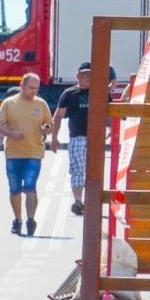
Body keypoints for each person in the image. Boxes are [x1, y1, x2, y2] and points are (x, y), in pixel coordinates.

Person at [0, 71, 51, 236]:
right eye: (31, 88)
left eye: (36, 88)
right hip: (13, 153)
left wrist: (47, 128)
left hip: (34, 152)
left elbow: (49, 123)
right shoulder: (9, 103)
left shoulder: (41, 104)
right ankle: (17, 219)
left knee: (31, 186)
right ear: (22, 86)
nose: (34, 91)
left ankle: (31, 219)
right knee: (14, 189)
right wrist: (11, 134)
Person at [50, 62, 96, 217]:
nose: (87, 77)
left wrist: (111, 130)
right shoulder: (69, 94)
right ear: (77, 76)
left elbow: (109, 113)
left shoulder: (99, 92)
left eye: (90, 74)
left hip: (96, 139)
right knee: (77, 171)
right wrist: (54, 137)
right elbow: (58, 116)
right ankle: (78, 201)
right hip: (77, 137)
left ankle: (92, 202)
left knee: (94, 171)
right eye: (84, 74)